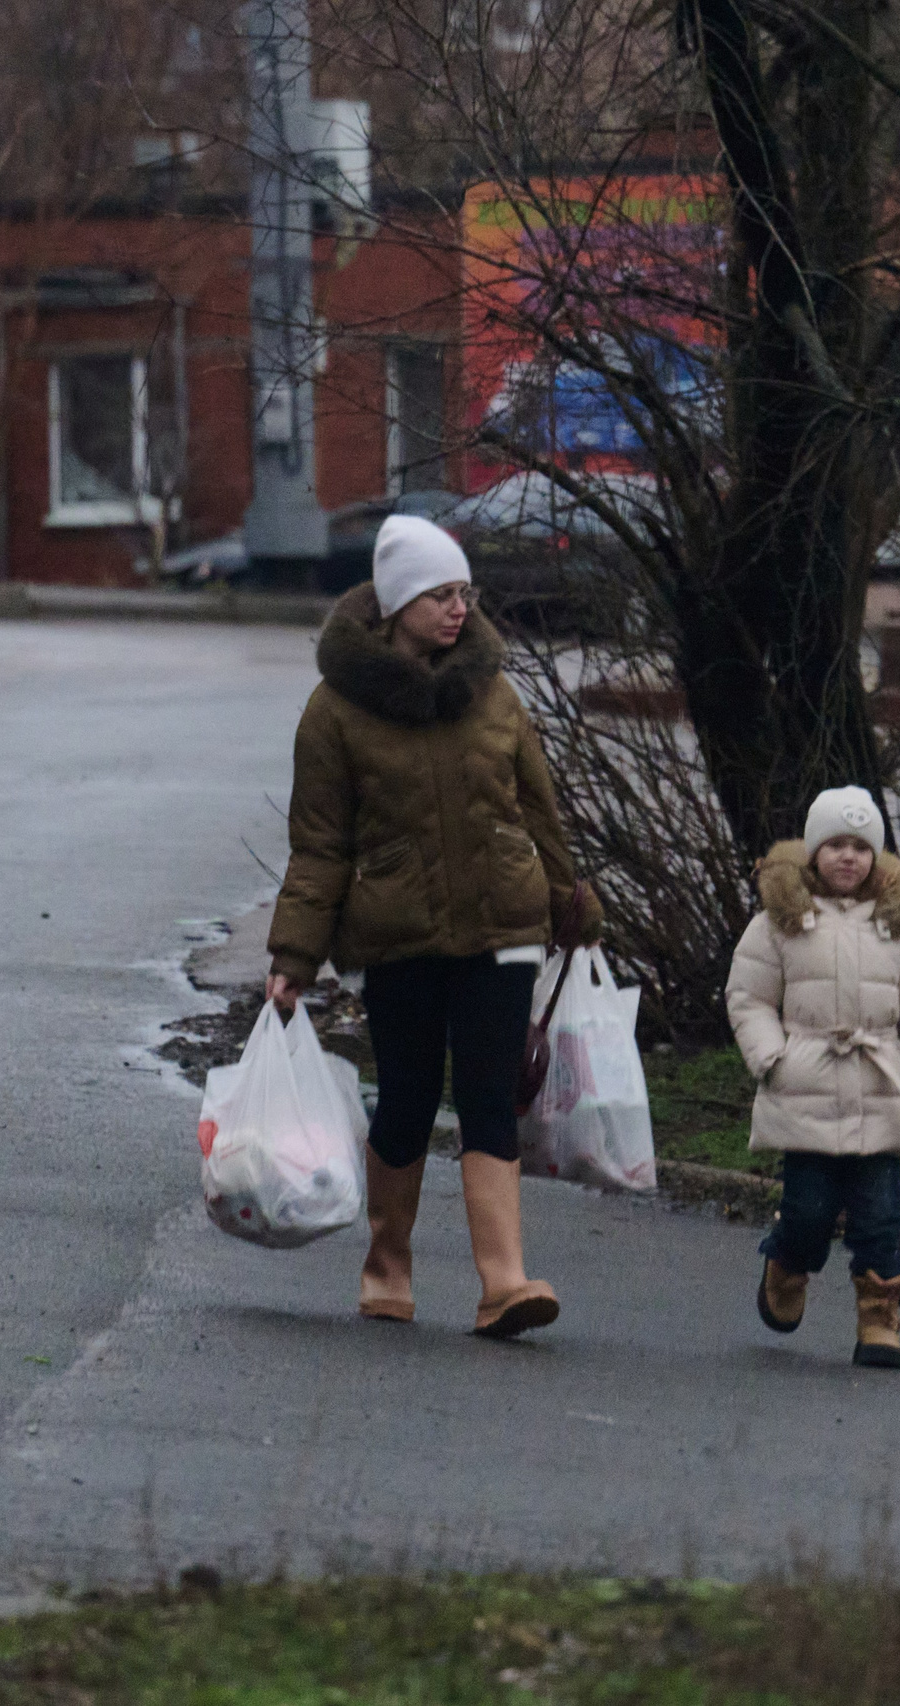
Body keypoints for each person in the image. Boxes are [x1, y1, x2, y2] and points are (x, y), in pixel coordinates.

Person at [266, 515, 601, 1338]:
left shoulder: (495, 692)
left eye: (466, 594)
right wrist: (294, 954)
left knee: (488, 1095)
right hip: (396, 930)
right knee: (409, 1099)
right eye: (442, 595)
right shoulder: (334, 711)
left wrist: (569, 901)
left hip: (501, 923)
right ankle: (388, 1266)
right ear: (398, 601)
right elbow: (319, 845)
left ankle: (504, 1283)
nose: (460, 610)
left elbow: (539, 809)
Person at [725, 786, 900, 1370]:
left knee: (879, 1218)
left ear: (876, 857)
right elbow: (748, 997)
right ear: (813, 853)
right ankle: (787, 1263)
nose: (848, 857)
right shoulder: (779, 925)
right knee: (809, 1208)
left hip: (878, 1091)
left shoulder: (899, 931)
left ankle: (879, 1317)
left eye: (860, 847)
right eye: (835, 845)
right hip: (806, 1089)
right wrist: (772, 1056)